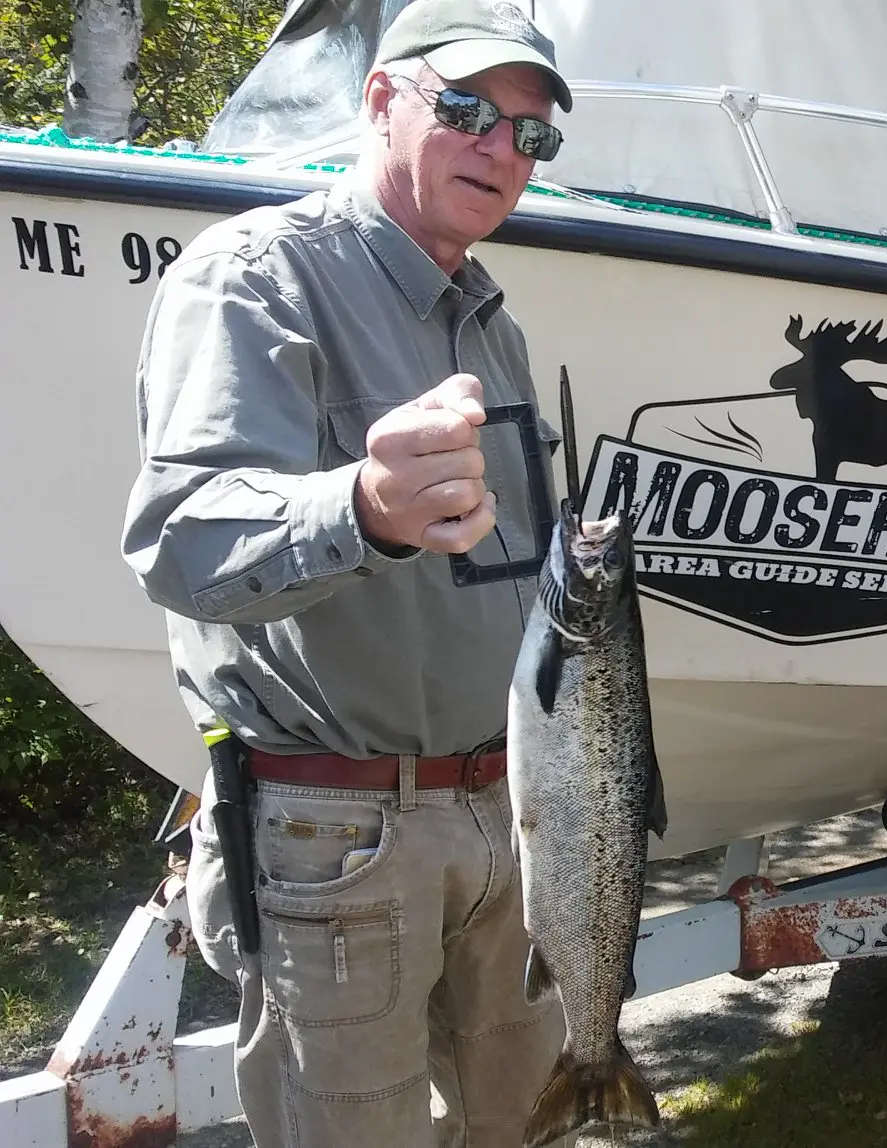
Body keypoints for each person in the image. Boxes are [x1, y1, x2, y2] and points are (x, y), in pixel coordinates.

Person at [119, 1, 580, 1144]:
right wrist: (362, 507)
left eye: (531, 134)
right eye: (467, 109)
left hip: (509, 816)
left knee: (532, 1128)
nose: (499, 148)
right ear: (380, 100)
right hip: (341, 835)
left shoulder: (491, 322)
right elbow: (181, 539)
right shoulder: (256, 277)